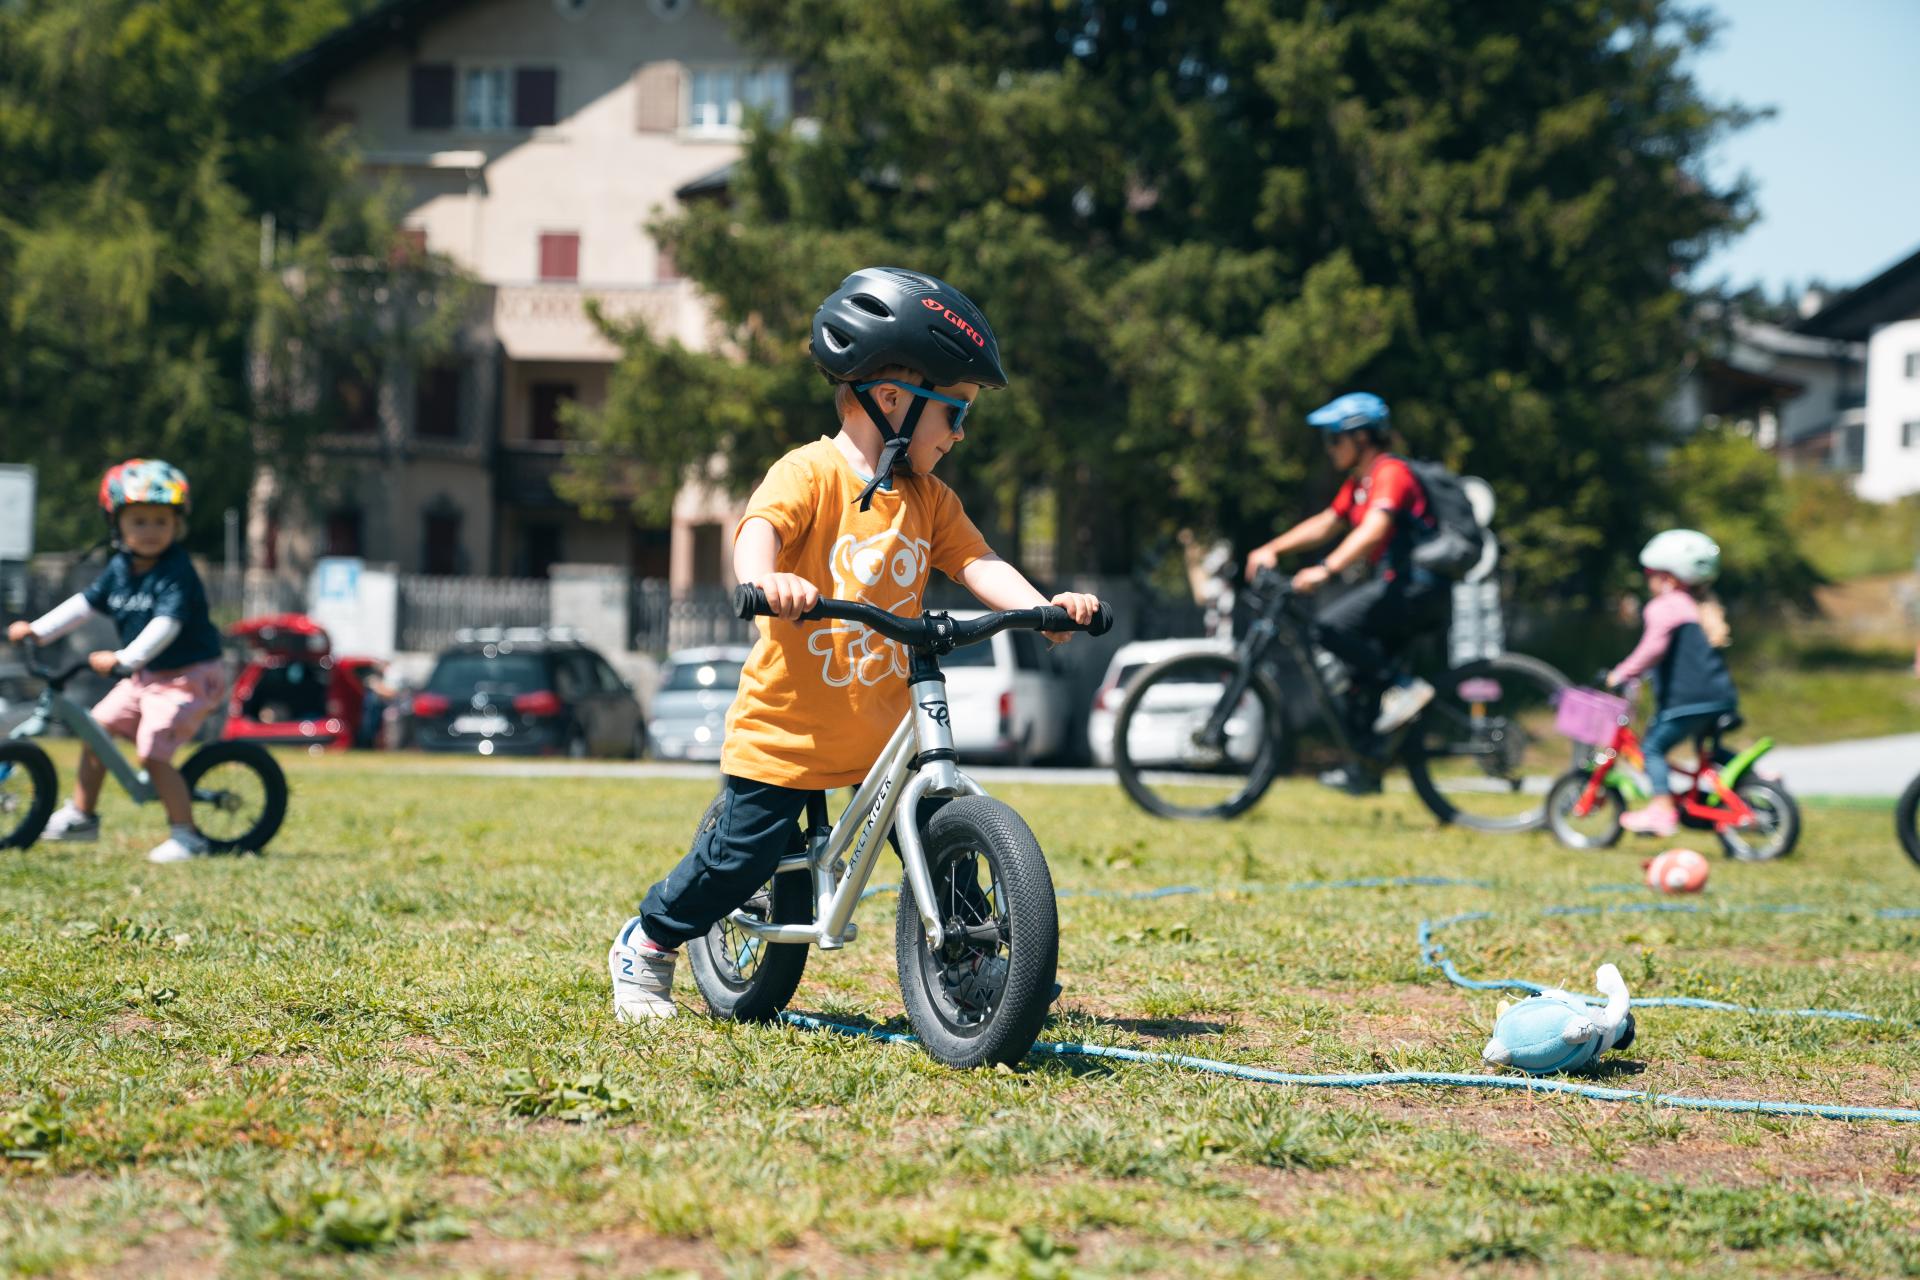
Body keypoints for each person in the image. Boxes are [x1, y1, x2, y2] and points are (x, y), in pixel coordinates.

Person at [607, 267, 1101, 1020]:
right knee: (739, 858)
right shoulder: (809, 473)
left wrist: (1043, 608)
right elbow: (758, 530)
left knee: (937, 827)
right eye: (954, 413)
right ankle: (647, 943)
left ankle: (972, 961)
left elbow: (978, 562)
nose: (960, 434)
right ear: (892, 400)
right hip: (788, 729)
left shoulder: (929, 498)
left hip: (880, 730)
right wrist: (769, 580)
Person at [5, 460, 227, 862]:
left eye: (161, 521)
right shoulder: (120, 567)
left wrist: (126, 657)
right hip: (144, 674)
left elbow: (168, 624)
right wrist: (37, 630)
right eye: (139, 521)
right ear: (116, 523)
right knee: (96, 729)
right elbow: (84, 605)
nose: (150, 530)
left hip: (187, 677)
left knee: (153, 752)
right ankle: (82, 816)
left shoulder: (176, 571)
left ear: (177, 524)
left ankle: (188, 835)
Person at [1242, 391, 1447, 794]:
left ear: (1362, 437)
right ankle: (1367, 765)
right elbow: (1327, 522)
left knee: (1329, 628)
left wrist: (1326, 569)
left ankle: (1405, 689)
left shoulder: (1390, 473)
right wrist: (1272, 549)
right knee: (1357, 678)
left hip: (1416, 586)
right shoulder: (1360, 484)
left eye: (1335, 438)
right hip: (1399, 586)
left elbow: (1374, 529)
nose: (1329, 448)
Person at [1606, 529, 1737, 838]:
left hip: (1687, 700)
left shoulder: (1666, 606)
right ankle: (1759, 779)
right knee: (1708, 753)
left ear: (1668, 579)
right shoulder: (1698, 606)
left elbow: (1652, 649)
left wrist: (1621, 674)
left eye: (1650, 574)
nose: (1648, 581)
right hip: (1719, 696)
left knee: (1652, 748)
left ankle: (1662, 810)